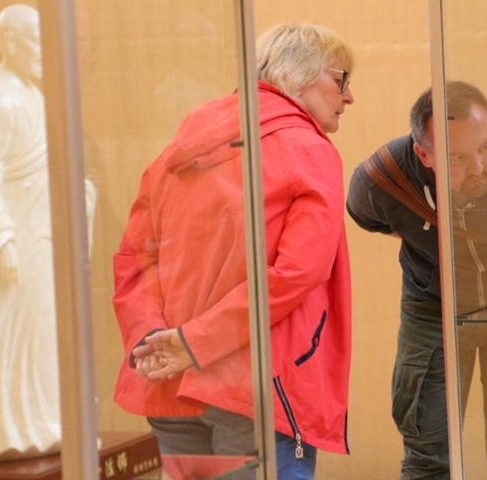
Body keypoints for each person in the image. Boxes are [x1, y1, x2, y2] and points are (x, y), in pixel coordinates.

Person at [112, 22, 354, 479]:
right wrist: (193, 344)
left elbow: (135, 259)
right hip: (257, 384)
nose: (348, 97)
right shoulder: (307, 149)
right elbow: (297, 274)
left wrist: (154, 341)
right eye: (342, 80)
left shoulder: (178, 148)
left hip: (167, 383)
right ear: (299, 75)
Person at [347, 81, 487, 480]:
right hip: (433, 311)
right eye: (457, 157)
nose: (478, 167)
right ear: (422, 154)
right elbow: (369, 218)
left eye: (485, 147)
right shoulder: (383, 176)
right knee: (427, 458)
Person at [0, 5, 96, 461]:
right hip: (15, 243)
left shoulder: (37, 97)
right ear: (11, 44)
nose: (46, 52)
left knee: (44, 334)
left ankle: (44, 417)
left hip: (44, 238)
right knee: (6, 338)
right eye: (38, 41)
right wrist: (1, 238)